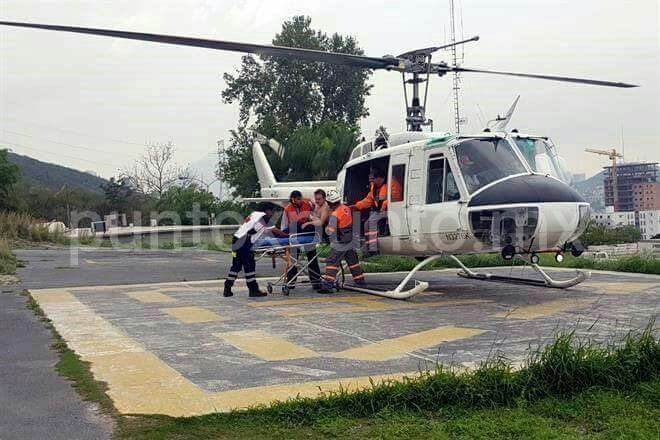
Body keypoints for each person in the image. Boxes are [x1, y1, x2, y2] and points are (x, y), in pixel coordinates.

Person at [223, 204, 287, 298]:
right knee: (249, 266)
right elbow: (274, 230)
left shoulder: (254, 214)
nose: (272, 213)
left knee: (236, 266)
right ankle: (253, 290)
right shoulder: (263, 216)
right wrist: (286, 236)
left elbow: (264, 230)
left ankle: (227, 287)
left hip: (236, 240)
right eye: (271, 211)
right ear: (267, 210)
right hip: (244, 242)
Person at [319, 189, 365, 293]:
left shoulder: (335, 214)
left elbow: (330, 231)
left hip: (341, 241)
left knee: (332, 261)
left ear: (329, 203)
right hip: (350, 238)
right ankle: (360, 281)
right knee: (352, 261)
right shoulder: (346, 208)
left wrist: (326, 229)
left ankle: (327, 286)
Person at [350, 169, 402, 256]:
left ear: (379, 178)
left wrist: (384, 205)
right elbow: (368, 200)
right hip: (381, 209)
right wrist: (356, 206)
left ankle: (373, 249)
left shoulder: (392, 184)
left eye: (372, 179)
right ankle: (371, 247)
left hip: (392, 209)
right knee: (368, 224)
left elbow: (396, 198)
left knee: (369, 223)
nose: (371, 181)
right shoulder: (374, 186)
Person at [282, 190, 322, 291]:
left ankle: (316, 282)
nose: (300, 201)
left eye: (301, 198)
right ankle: (291, 282)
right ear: (293, 199)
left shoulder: (308, 205)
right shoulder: (287, 209)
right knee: (293, 260)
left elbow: (316, 215)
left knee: (312, 258)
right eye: (298, 199)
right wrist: (285, 237)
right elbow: (285, 226)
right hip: (294, 237)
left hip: (307, 233)